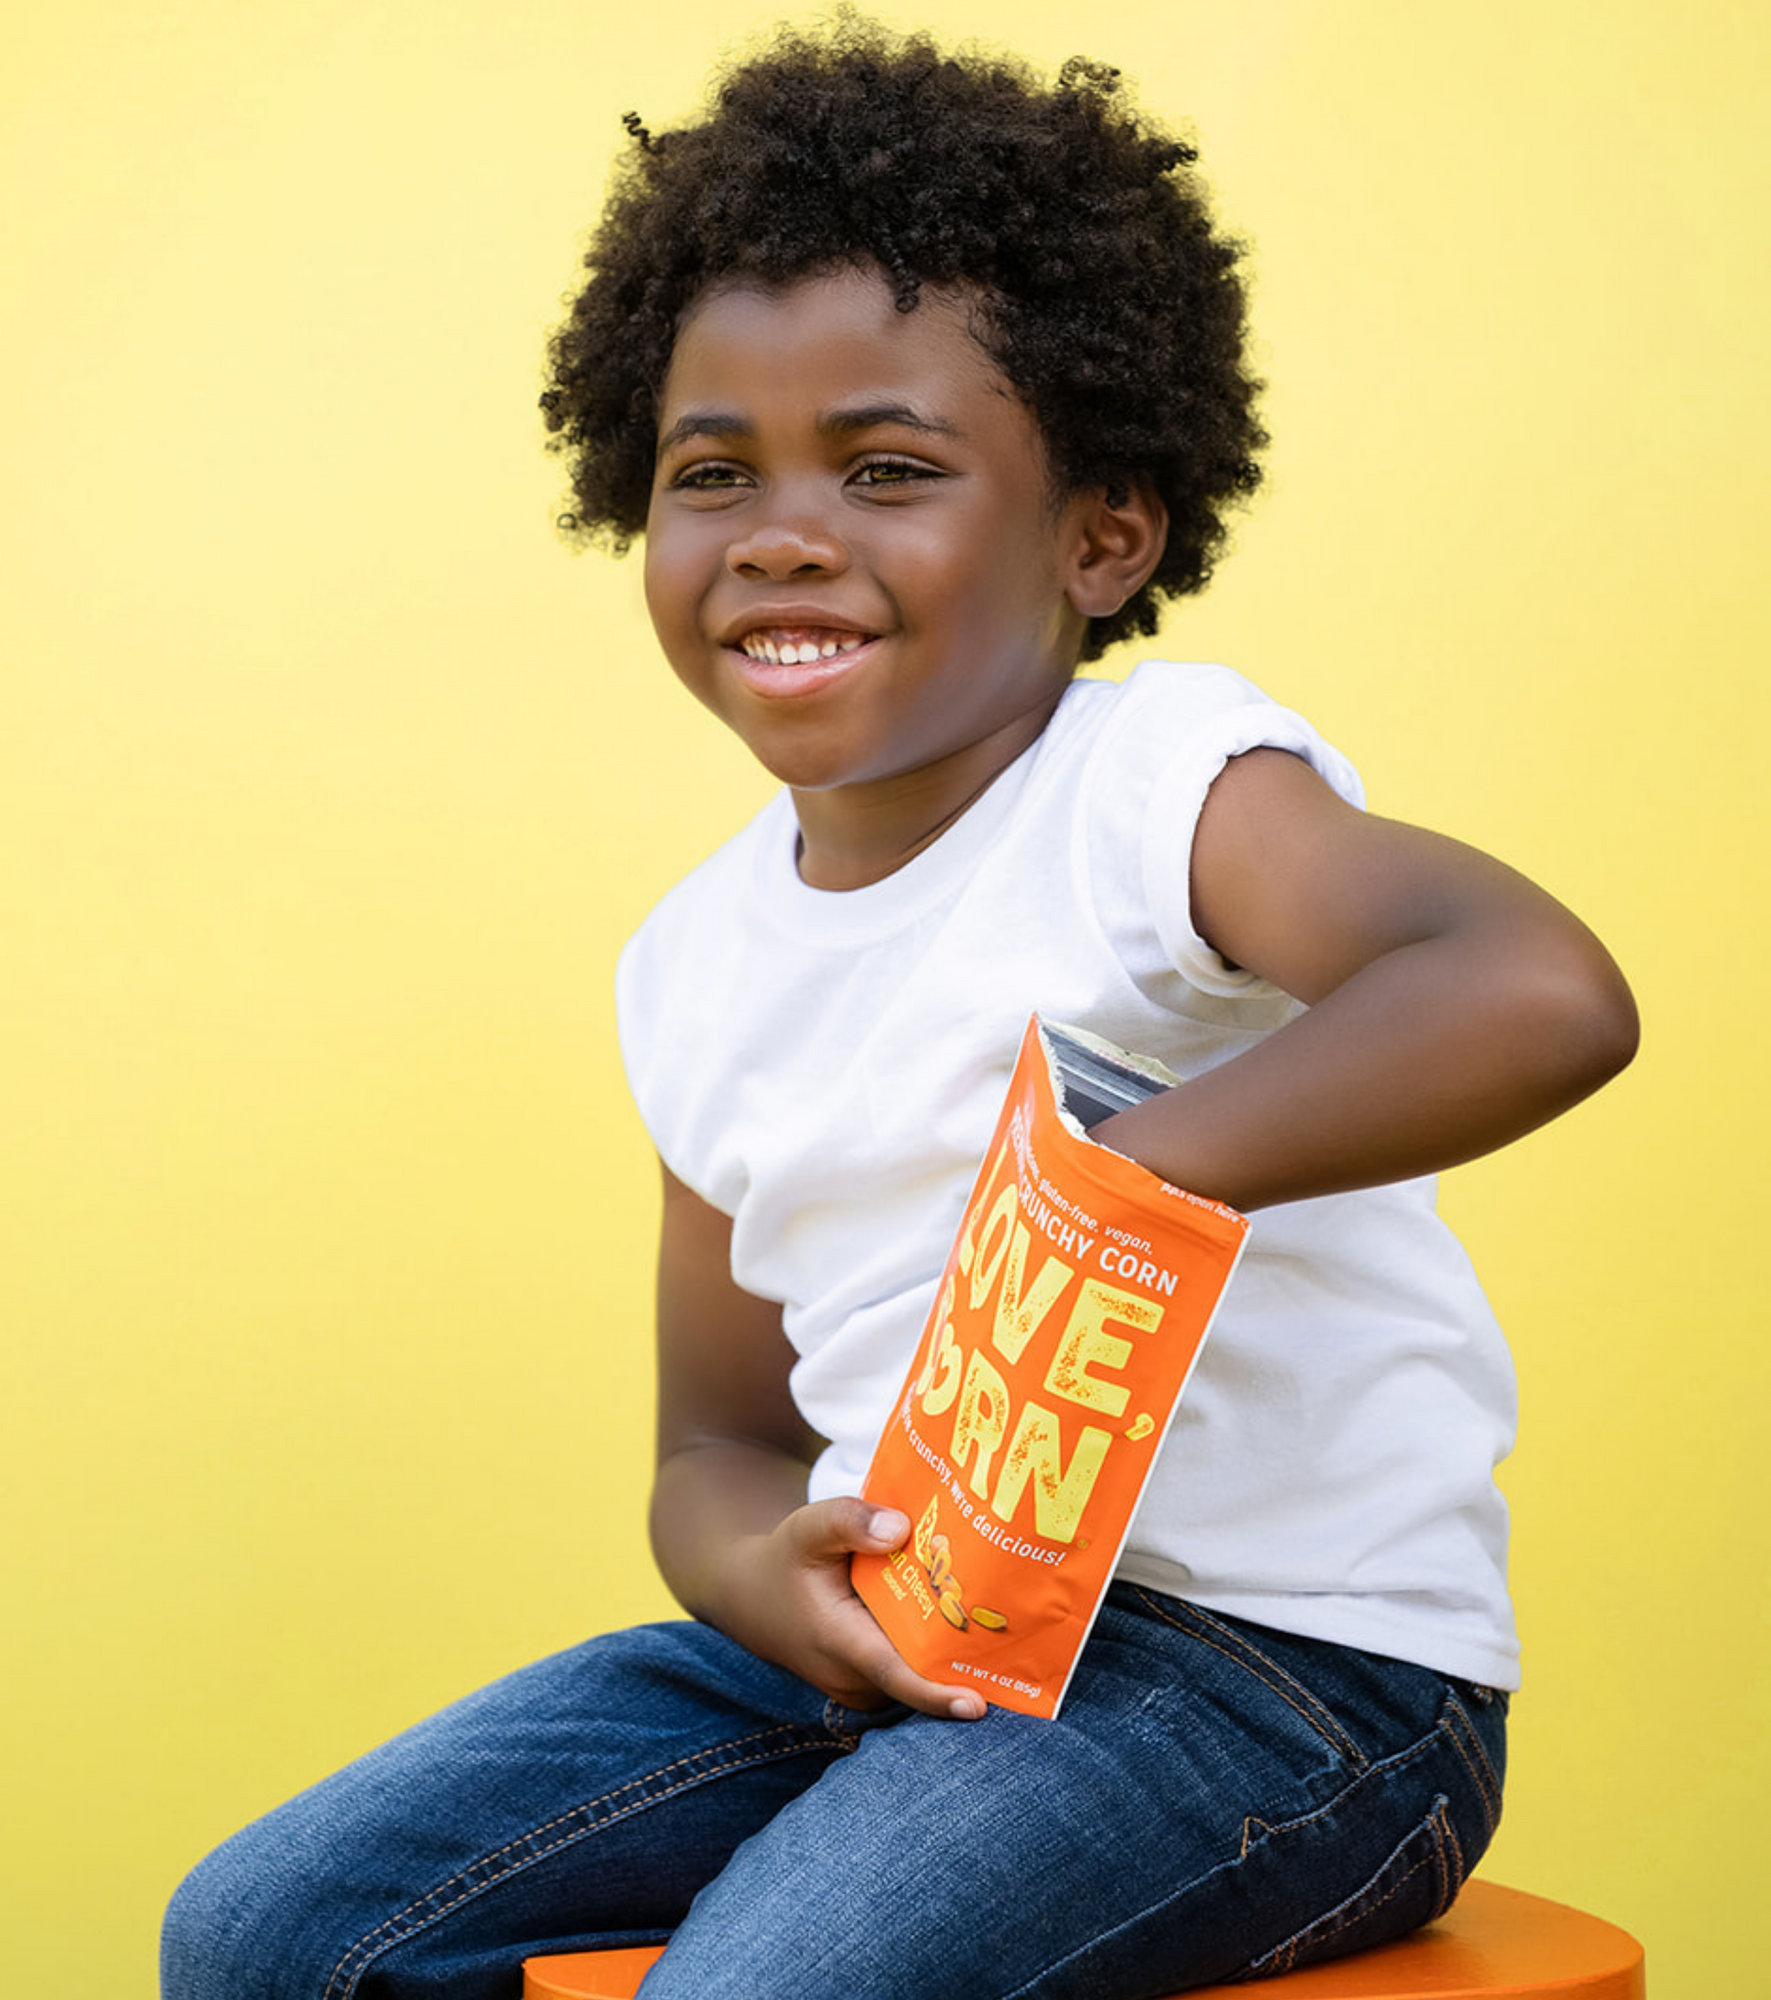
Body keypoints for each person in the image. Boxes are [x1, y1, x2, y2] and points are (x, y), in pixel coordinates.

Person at [161, 23, 1638, 1999]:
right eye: (713, 475)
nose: (782, 527)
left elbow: (1533, 988)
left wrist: (1110, 1187)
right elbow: (714, 1440)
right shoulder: (690, 964)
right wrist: (752, 1565)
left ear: (1099, 532)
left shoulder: (1155, 796)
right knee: (259, 1933)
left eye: (885, 468)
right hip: (890, 1640)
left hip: (1286, 1681)